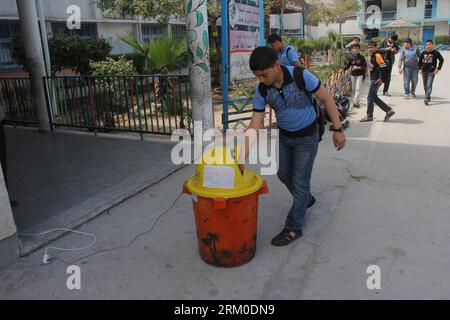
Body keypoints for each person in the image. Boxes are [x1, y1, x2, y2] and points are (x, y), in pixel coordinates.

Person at [240, 47, 346, 246]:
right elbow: (255, 124)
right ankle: (305, 199)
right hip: (285, 137)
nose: (261, 79)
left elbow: (326, 98)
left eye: (264, 74)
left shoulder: (300, 75)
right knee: (283, 174)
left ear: (277, 65)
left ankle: (293, 227)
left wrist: (338, 129)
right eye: (257, 76)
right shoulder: (263, 90)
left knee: (299, 181)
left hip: (307, 137)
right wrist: (242, 156)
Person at [360, 41, 396, 122]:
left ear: (376, 47)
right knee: (373, 97)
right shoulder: (372, 55)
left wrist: (380, 79)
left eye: (372, 47)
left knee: (370, 97)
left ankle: (369, 116)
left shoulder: (377, 55)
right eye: (369, 47)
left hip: (376, 79)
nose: (370, 49)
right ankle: (388, 111)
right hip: (374, 78)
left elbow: (383, 67)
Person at [419, 39, 445, 105]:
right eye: (426, 45)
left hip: (431, 72)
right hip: (424, 72)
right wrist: (420, 69)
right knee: (425, 86)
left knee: (429, 85)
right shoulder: (423, 52)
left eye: (429, 44)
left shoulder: (436, 53)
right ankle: (428, 96)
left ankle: (426, 98)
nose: (428, 46)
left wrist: (438, 69)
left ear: (432, 45)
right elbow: (419, 62)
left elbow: (441, 60)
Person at [342, 43, 367, 108]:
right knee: (353, 89)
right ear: (352, 50)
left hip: (360, 75)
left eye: (357, 49)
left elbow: (365, 67)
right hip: (353, 75)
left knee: (358, 88)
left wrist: (357, 67)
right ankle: (355, 101)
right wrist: (343, 69)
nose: (355, 50)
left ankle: (355, 102)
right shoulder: (351, 58)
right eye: (354, 49)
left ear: (359, 49)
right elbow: (348, 65)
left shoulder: (362, 58)